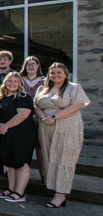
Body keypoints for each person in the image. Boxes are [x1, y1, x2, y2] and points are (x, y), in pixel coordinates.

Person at [35, 63, 90, 208]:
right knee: (51, 158)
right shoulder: (43, 89)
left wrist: (54, 116)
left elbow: (76, 106)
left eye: (59, 72)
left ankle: (61, 195)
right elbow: (36, 106)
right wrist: (43, 117)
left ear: (66, 74)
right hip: (46, 128)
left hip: (68, 127)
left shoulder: (74, 88)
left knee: (65, 159)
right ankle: (55, 189)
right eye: (52, 73)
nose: (55, 75)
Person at [0, 72, 37, 203]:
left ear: (20, 83)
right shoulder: (0, 97)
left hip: (22, 135)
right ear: (5, 82)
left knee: (21, 162)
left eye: (15, 81)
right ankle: (11, 189)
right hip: (4, 134)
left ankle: (20, 192)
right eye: (9, 81)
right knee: (9, 163)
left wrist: (5, 126)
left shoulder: (24, 97)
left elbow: (22, 115)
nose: (12, 84)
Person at [20, 55, 45, 181]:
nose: (31, 66)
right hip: (21, 119)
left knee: (40, 148)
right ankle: (20, 175)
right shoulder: (19, 80)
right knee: (22, 148)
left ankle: (44, 175)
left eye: (33, 64)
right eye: (28, 64)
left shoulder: (45, 81)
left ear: (37, 66)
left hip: (40, 118)